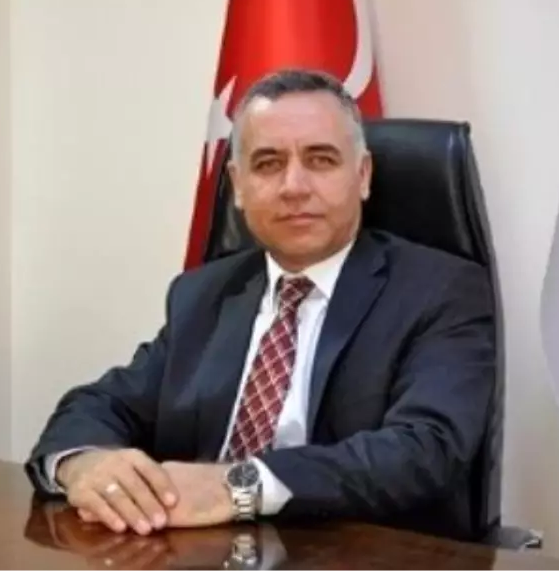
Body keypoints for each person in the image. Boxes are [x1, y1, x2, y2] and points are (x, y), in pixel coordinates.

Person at [25, 68, 496, 543]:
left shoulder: (440, 290)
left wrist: (239, 486)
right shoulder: (203, 294)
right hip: (195, 550)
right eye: (268, 163)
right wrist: (84, 463)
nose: (294, 186)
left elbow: (425, 449)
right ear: (238, 184)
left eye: (321, 160)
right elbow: (101, 404)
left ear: (363, 175)